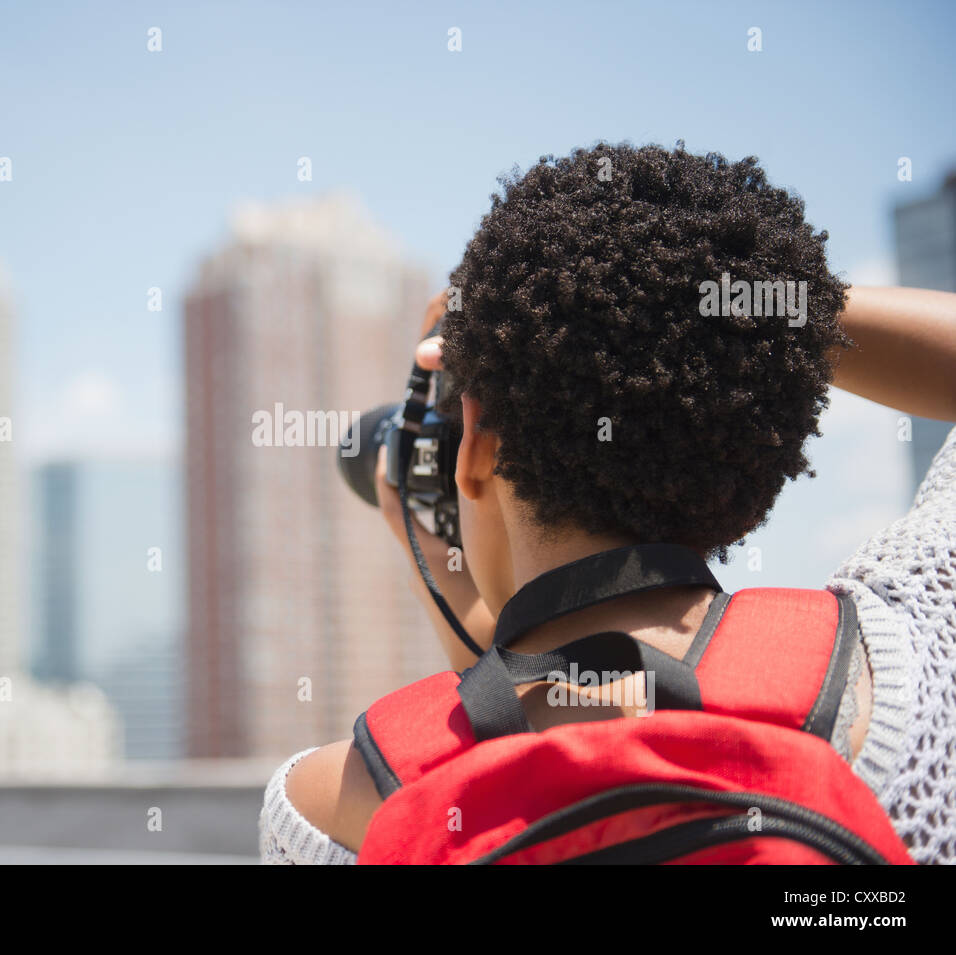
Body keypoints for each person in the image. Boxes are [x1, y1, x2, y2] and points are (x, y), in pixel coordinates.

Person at [258, 142, 956, 865]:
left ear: (475, 448)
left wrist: (437, 569)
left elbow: (540, 740)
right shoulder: (906, 674)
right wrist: (745, 303)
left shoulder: (332, 805)